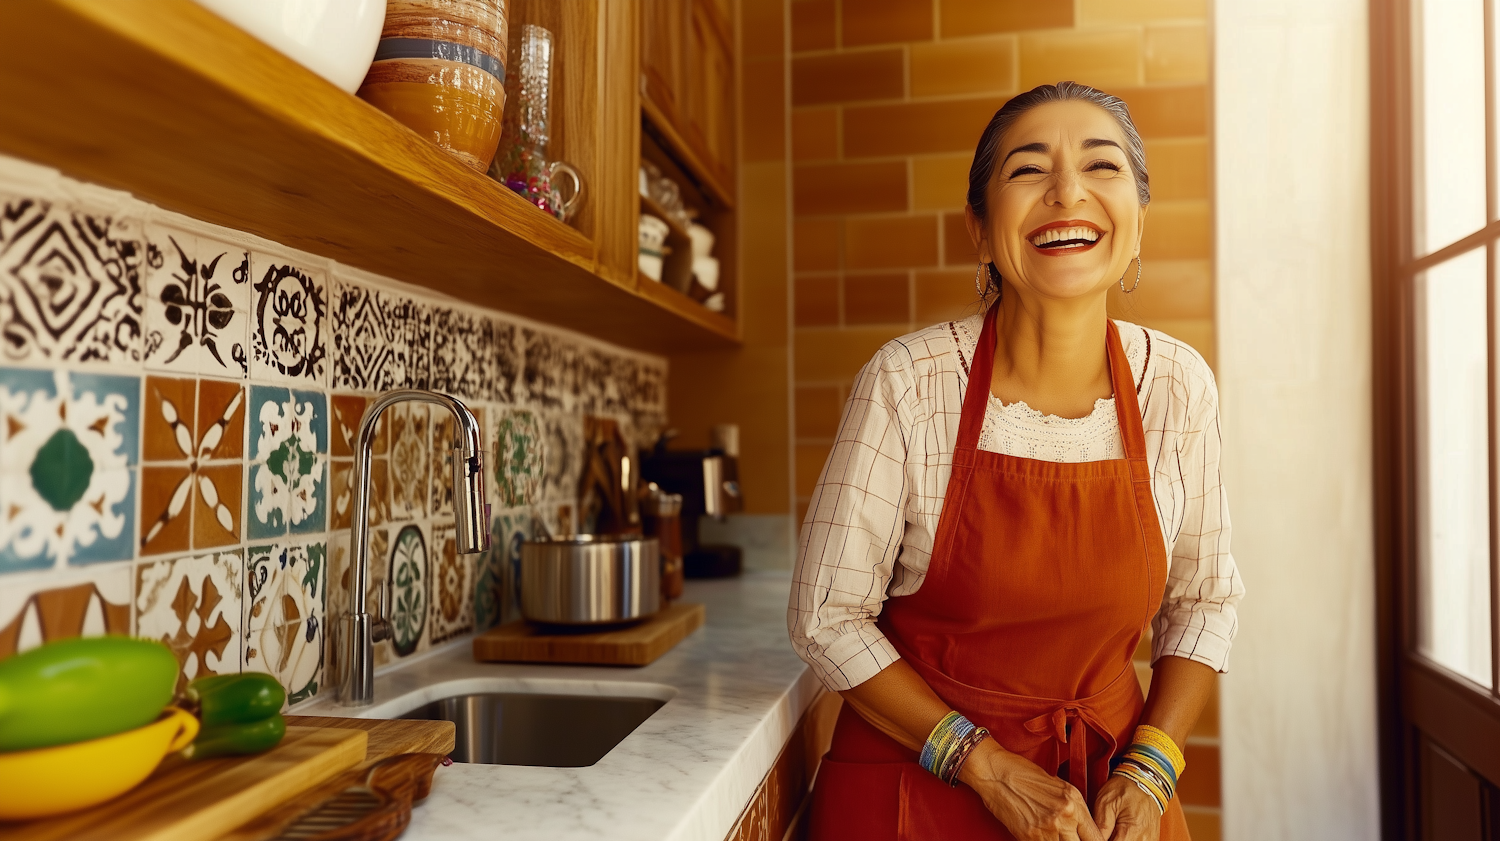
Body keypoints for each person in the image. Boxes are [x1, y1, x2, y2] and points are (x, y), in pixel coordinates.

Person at [788, 81, 1244, 841]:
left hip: (1110, 797)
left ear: (1137, 222)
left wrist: (1150, 769)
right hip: (913, 789)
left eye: (1101, 167)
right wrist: (985, 764)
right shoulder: (909, 381)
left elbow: (1204, 601)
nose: (1068, 191)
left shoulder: (1177, 386)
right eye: (1029, 170)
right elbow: (825, 616)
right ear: (978, 227)